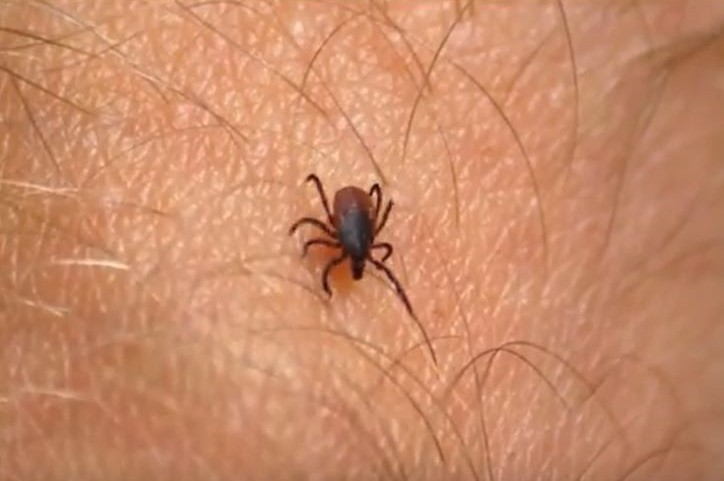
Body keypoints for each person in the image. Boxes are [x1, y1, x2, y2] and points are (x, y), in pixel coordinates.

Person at [2, 1, 722, 479]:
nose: (349, 259)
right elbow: (365, 207)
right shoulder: (357, 237)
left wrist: (341, 241)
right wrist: (352, 241)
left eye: (350, 254)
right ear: (352, 243)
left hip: (342, 195)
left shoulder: (345, 236)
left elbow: (349, 208)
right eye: (349, 254)